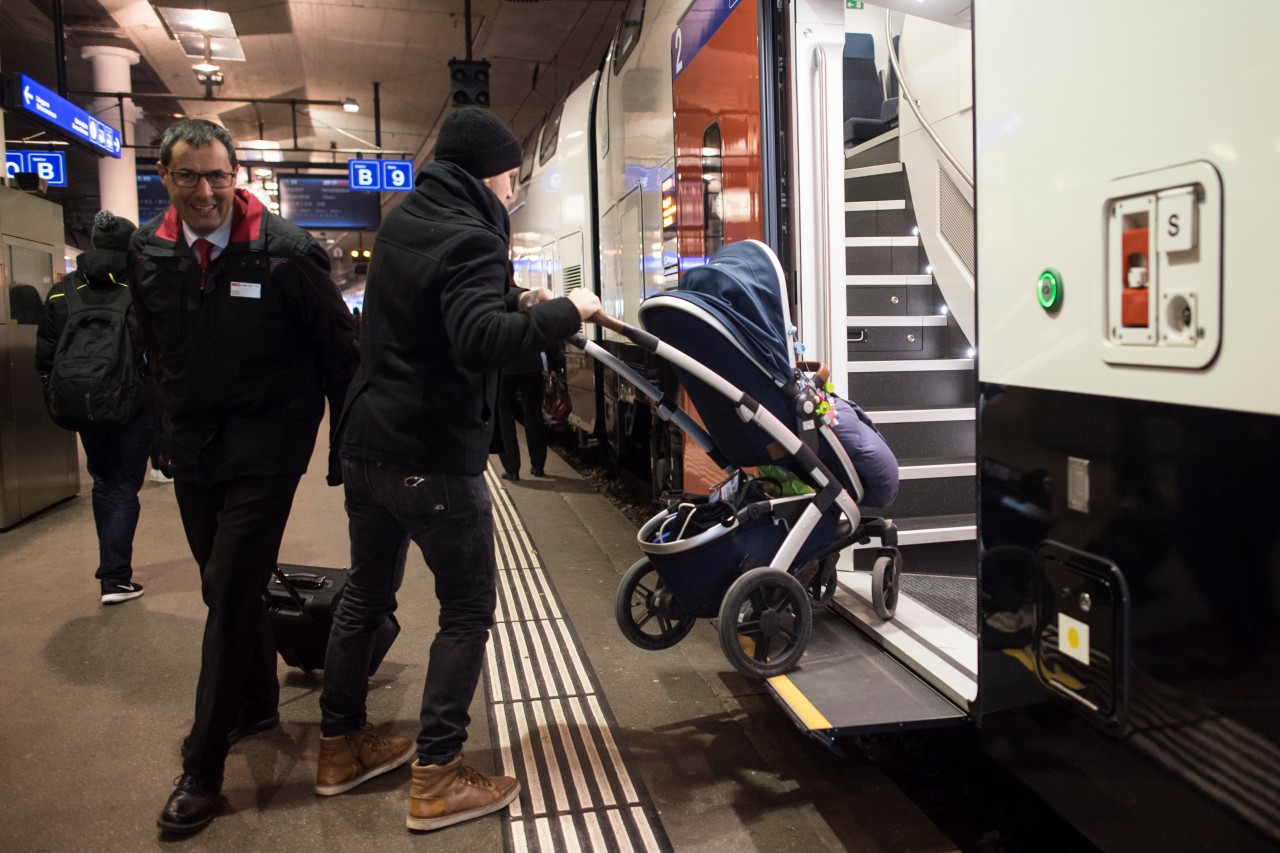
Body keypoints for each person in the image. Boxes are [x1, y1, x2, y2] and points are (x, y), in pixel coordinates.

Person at [316, 106, 602, 832]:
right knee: (467, 609)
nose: (511, 193)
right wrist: (569, 309)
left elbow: (434, 314)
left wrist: (516, 299)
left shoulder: (407, 221)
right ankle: (438, 775)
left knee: (364, 596)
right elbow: (478, 341)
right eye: (509, 179)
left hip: (365, 447)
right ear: (487, 174)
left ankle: (339, 747)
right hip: (429, 456)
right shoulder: (476, 234)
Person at [131, 118, 358, 834]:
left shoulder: (287, 255)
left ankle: (203, 765)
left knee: (229, 587)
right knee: (220, 581)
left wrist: (340, 452)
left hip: (269, 444)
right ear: (164, 178)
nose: (205, 191)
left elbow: (340, 357)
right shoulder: (150, 253)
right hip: (195, 448)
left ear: (238, 177)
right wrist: (162, 434)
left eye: (218, 175)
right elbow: (153, 353)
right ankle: (256, 701)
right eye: (189, 176)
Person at [35, 210, 155, 604]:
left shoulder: (62, 289)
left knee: (103, 481)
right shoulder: (142, 286)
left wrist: (55, 392)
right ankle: (115, 578)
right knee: (123, 485)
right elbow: (158, 350)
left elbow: (47, 353)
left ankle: (112, 570)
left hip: (81, 399)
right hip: (131, 402)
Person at [496, 342, 556, 480]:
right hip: (531, 364)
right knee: (534, 415)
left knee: (504, 418)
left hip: (503, 366)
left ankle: (511, 470)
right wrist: (553, 363)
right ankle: (538, 466)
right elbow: (545, 329)